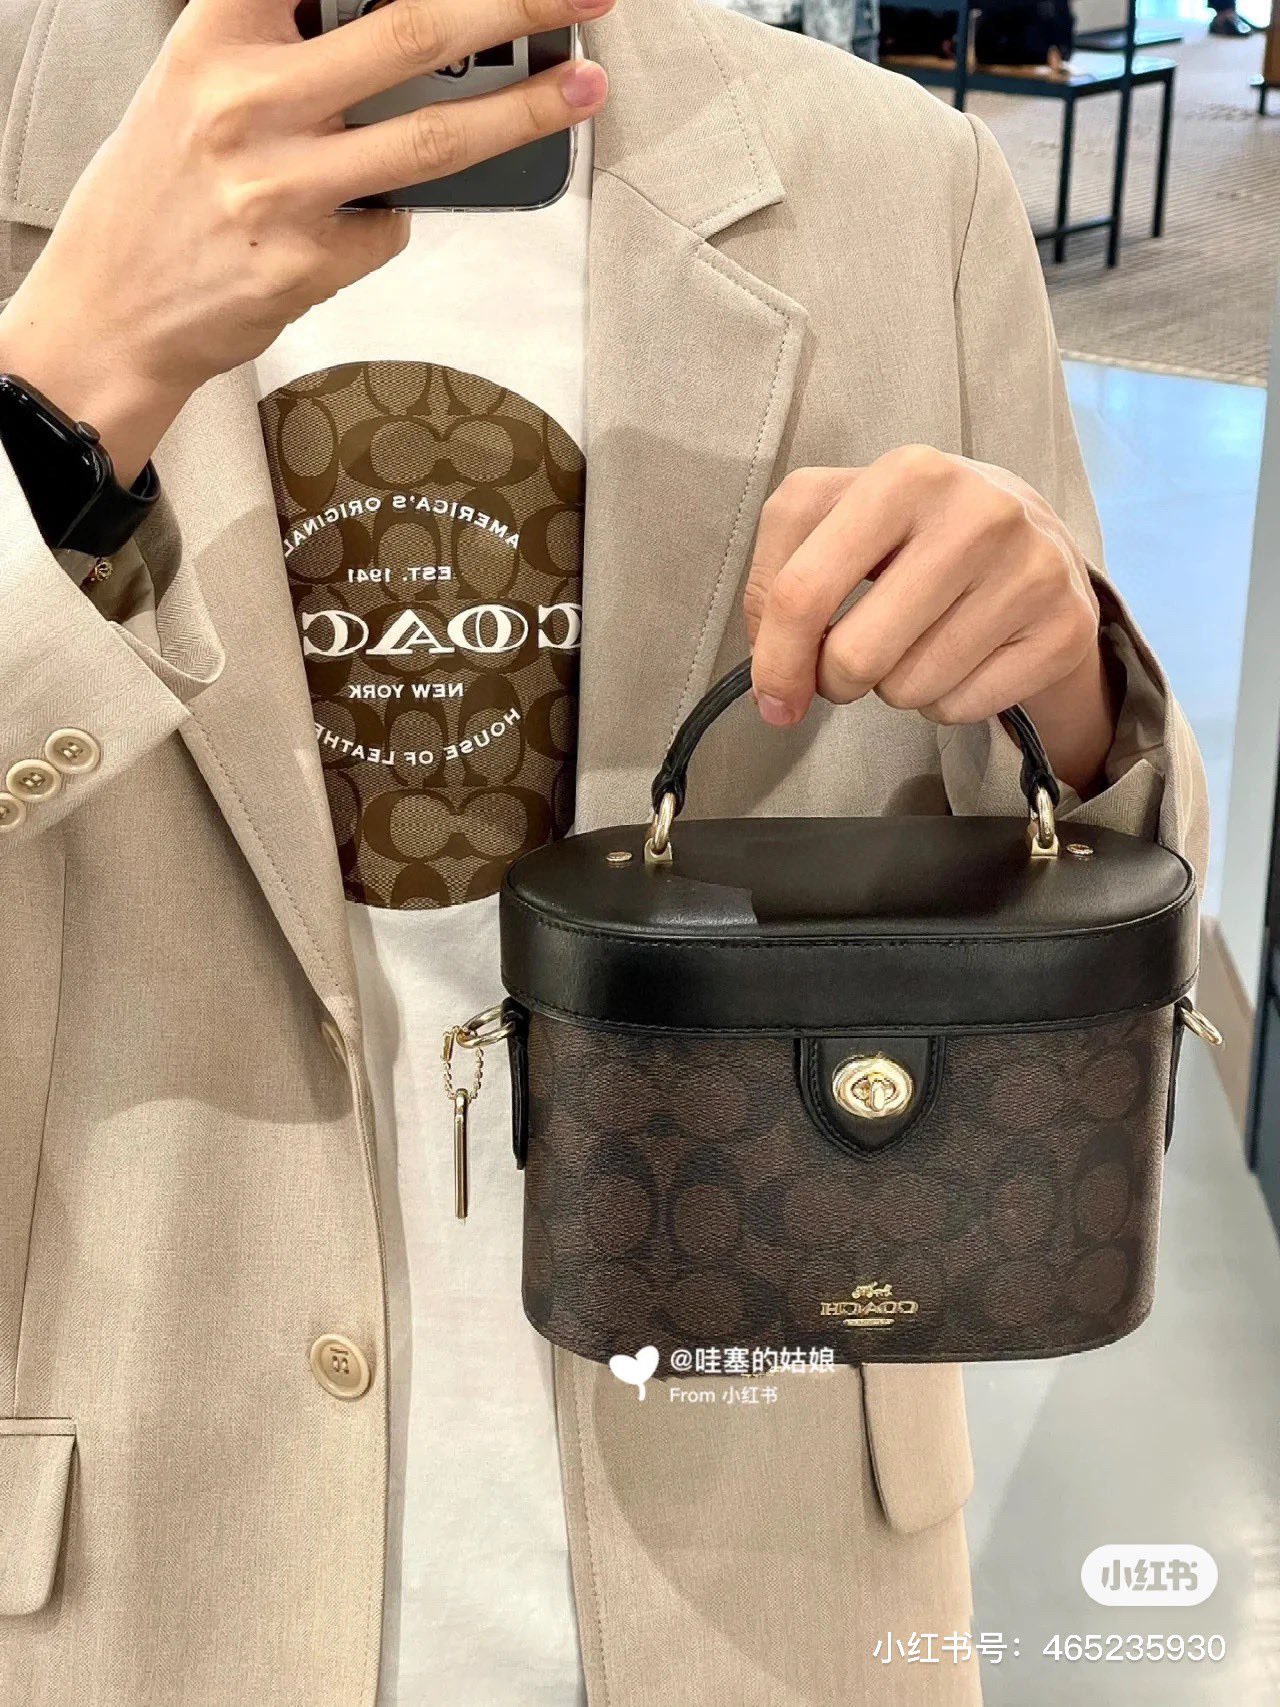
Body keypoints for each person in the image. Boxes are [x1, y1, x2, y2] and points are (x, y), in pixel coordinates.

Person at [0, 1, 1206, 1703]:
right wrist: (54, 408)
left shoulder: (890, 180)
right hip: (128, 1555)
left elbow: (1108, 894)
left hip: (765, 1536)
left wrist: (1066, 676)